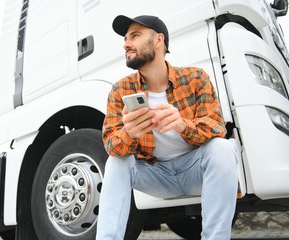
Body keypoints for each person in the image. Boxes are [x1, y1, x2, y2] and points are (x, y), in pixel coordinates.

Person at [96, 15, 238, 240]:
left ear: (158, 40)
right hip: (155, 174)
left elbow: (216, 127)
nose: (126, 44)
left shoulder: (195, 78)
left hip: (195, 170)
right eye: (125, 38)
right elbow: (111, 145)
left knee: (223, 147)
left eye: (135, 36)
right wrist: (129, 133)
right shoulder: (120, 90)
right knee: (116, 161)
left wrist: (183, 125)